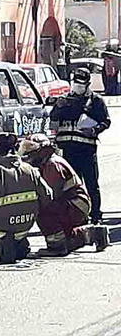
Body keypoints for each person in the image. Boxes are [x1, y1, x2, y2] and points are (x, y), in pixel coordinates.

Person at [0, 133, 53, 264]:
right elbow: (48, 195)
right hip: (24, 227)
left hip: (1, 229)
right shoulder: (30, 170)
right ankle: (19, 245)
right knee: (16, 240)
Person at [50, 67, 111, 224]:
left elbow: (106, 121)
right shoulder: (64, 99)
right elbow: (53, 120)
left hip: (86, 150)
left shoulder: (95, 101)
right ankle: (75, 217)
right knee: (70, 188)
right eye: (75, 83)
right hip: (67, 151)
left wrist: (94, 129)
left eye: (81, 84)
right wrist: (58, 107)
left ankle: (95, 215)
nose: (77, 86)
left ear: (88, 84)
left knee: (91, 185)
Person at [18, 134, 92, 256]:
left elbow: (50, 196)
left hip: (77, 205)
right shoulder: (47, 163)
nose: (28, 154)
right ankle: (91, 234)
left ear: (43, 150)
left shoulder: (52, 165)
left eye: (32, 148)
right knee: (68, 239)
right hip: (74, 203)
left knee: (43, 209)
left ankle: (57, 246)